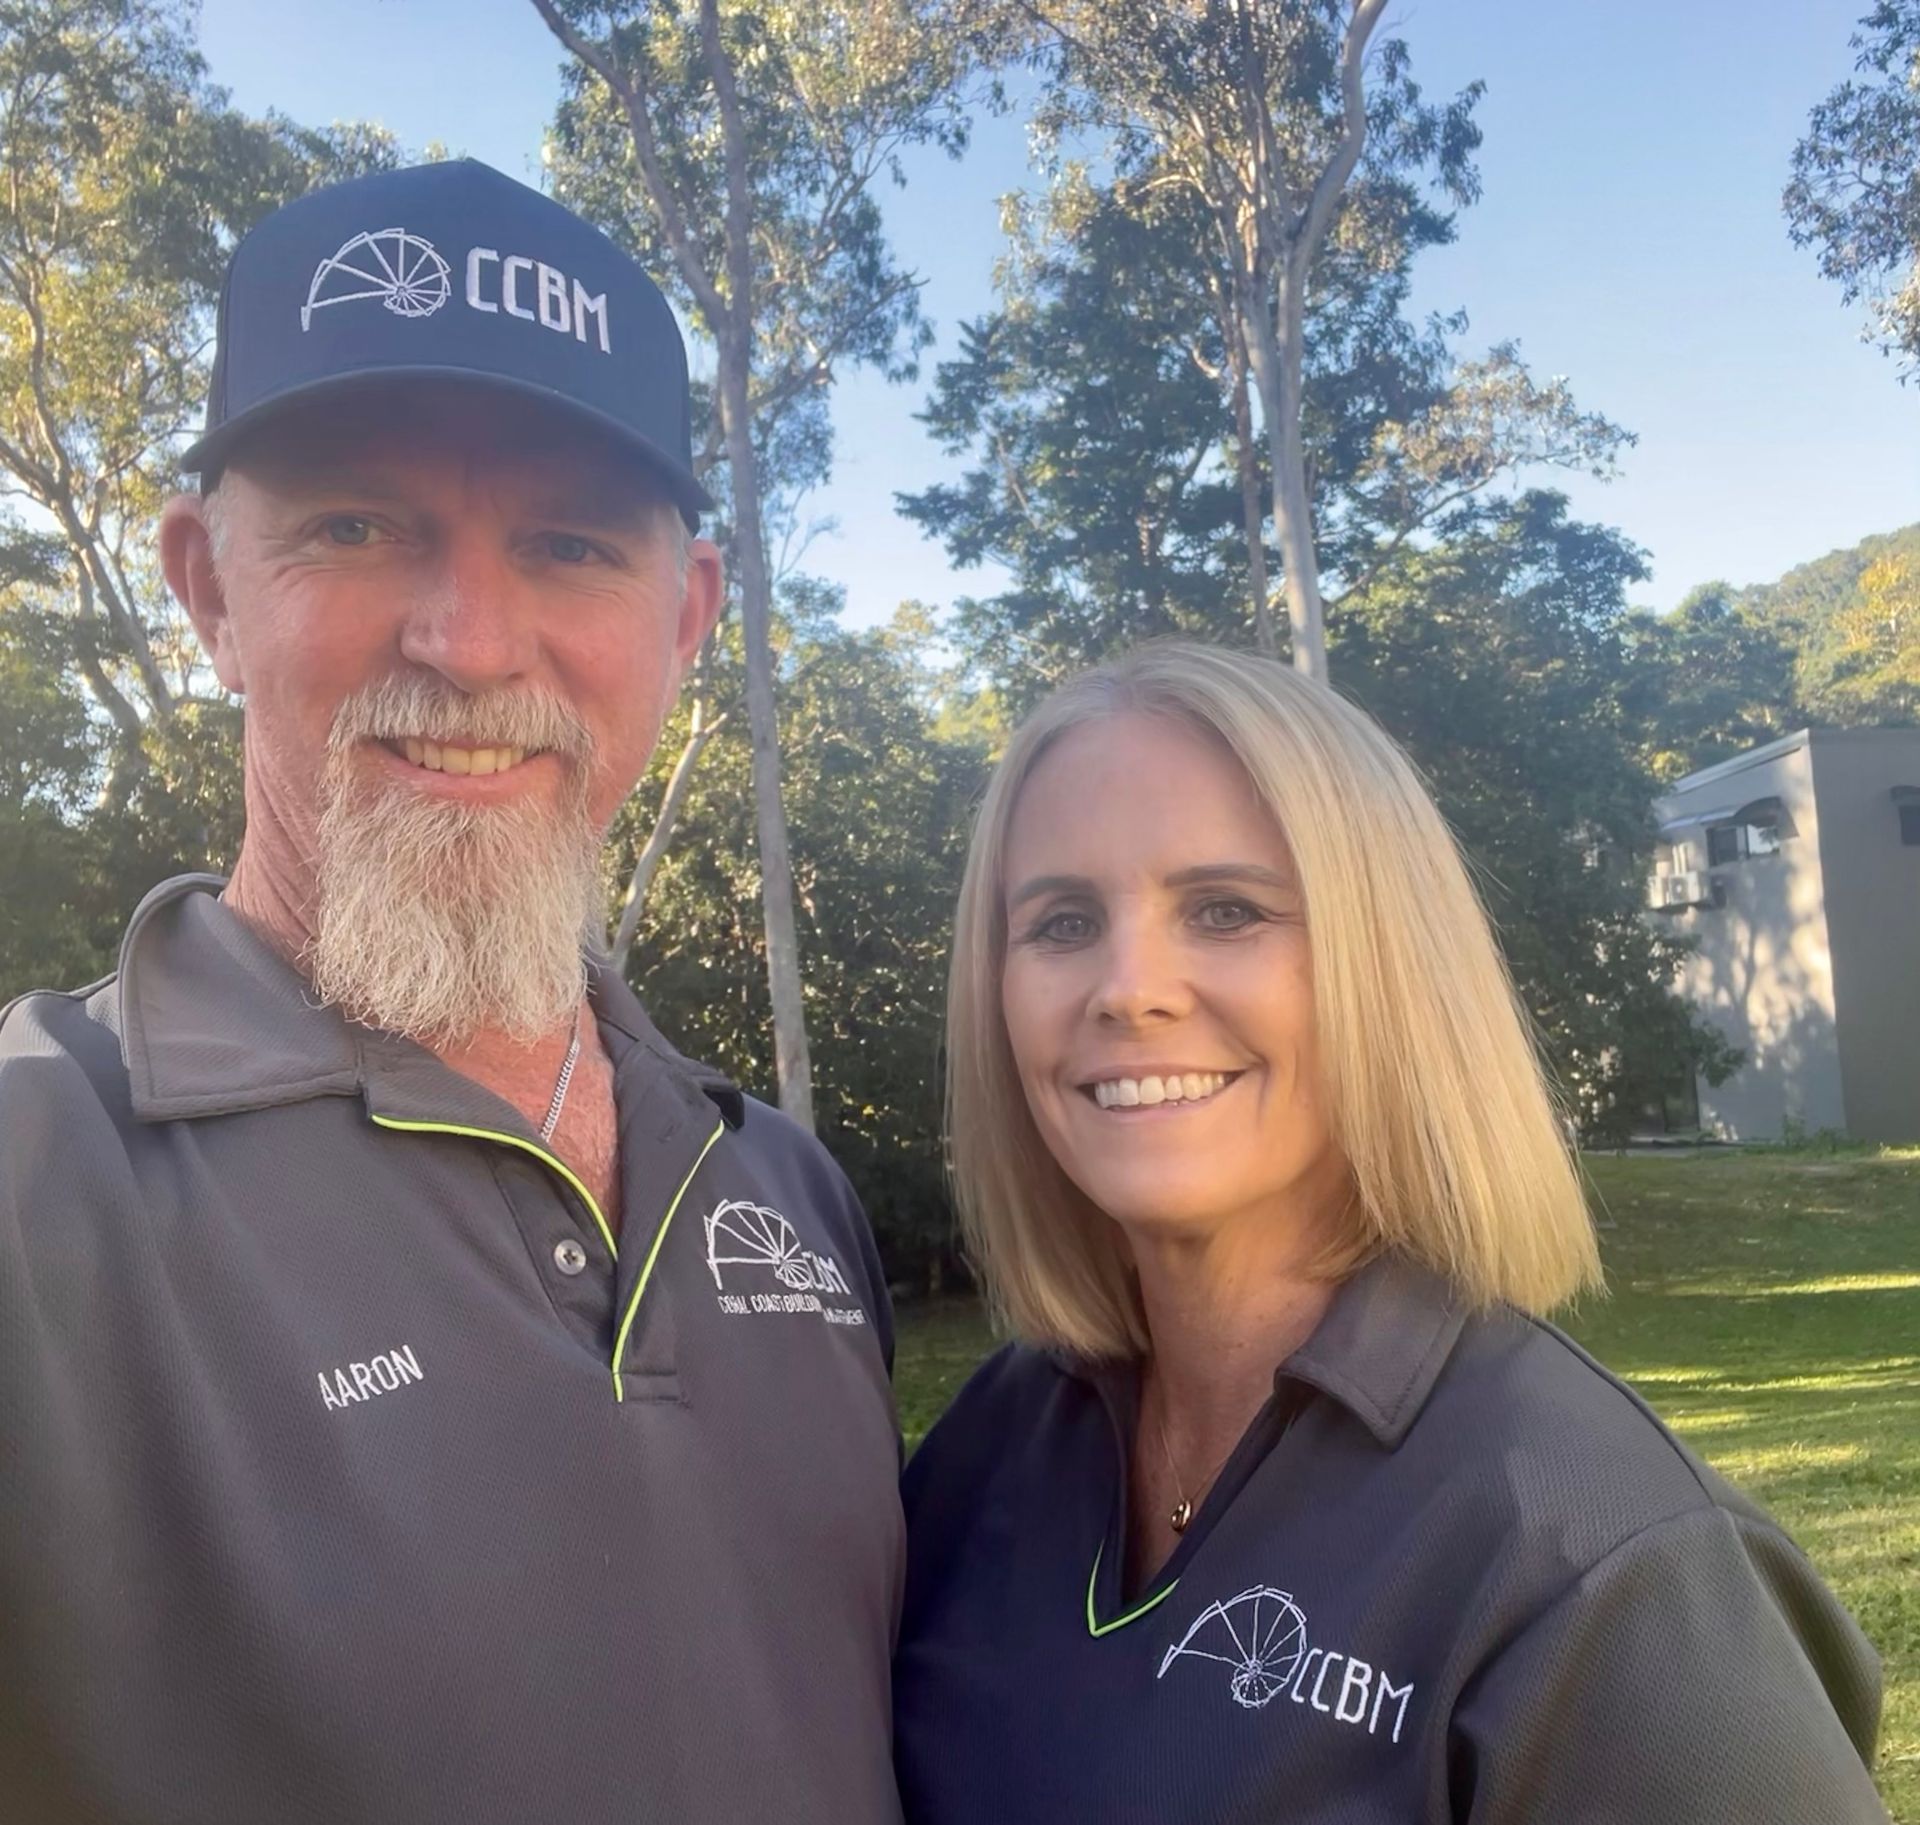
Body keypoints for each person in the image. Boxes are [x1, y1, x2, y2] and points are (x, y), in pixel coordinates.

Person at [0, 160, 902, 1825]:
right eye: (357, 526)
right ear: (205, 585)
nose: (473, 642)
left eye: (568, 547)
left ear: (688, 617)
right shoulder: (41, 1181)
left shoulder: (775, 1186)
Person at [893, 641, 1889, 1823]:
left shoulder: (1602, 1562)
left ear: (1386, 967)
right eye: (1061, 922)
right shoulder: (995, 1445)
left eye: (1225, 910)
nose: (1129, 987)